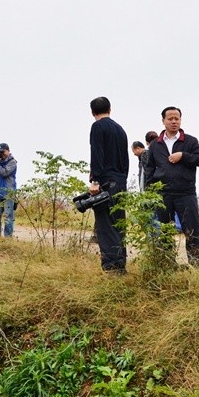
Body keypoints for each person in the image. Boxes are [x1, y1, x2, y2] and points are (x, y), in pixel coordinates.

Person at [148, 106, 199, 267]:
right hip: (162, 195)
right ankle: (167, 265)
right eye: (170, 119)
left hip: (185, 193)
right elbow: (149, 169)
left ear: (180, 120)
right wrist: (149, 193)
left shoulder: (190, 141)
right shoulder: (155, 145)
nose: (174, 122)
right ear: (163, 121)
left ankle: (197, 267)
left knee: (192, 231)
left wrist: (183, 155)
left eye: (177, 118)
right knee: (165, 232)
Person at [88, 97, 129, 273]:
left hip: (106, 181)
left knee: (105, 225)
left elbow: (97, 154)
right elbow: (125, 160)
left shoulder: (97, 127)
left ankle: (111, 267)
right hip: (120, 181)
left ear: (92, 112)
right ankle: (120, 264)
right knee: (119, 223)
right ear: (110, 109)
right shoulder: (120, 129)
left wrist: (95, 181)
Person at [0, 143, 18, 237]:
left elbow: (4, 172)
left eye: (2, 152)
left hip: (8, 194)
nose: (1, 154)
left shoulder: (12, 162)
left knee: (8, 217)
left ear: (8, 151)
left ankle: (8, 238)